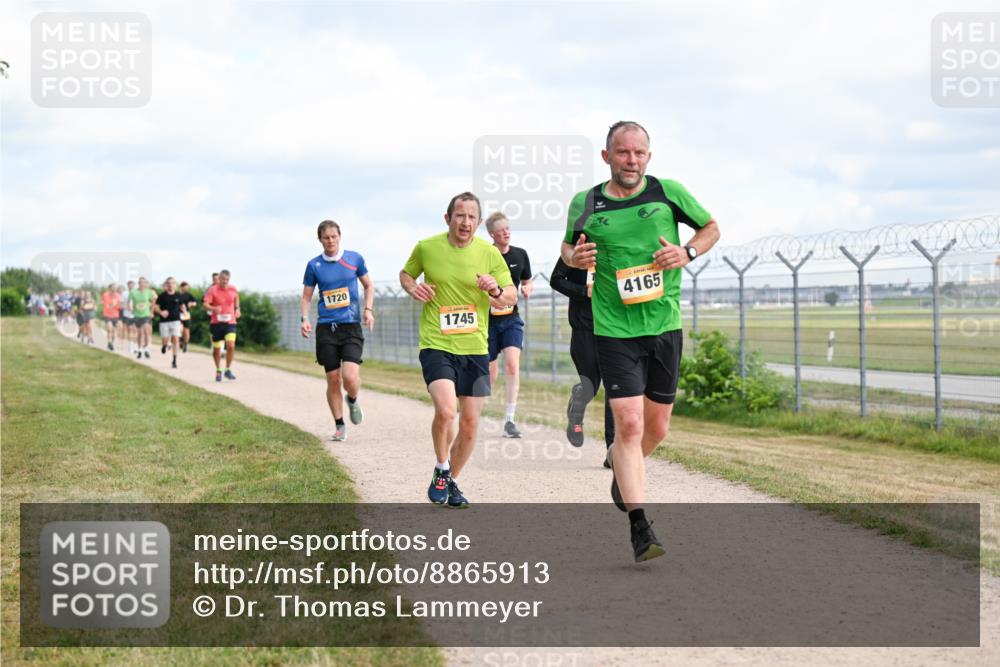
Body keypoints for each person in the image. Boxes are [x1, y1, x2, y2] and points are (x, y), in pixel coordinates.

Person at [561, 121, 720, 562]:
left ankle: (623, 471)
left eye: (639, 153)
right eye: (623, 153)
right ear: (606, 156)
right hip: (613, 329)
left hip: (664, 324)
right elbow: (566, 249)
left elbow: (710, 228)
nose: (631, 161)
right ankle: (639, 526)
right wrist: (577, 256)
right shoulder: (587, 202)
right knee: (628, 425)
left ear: (649, 157)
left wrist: (686, 252)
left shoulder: (668, 193)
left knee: (657, 428)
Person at [400, 192, 515, 508]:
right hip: (436, 342)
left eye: (472, 218)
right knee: (447, 410)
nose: (466, 222)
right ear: (447, 217)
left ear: (479, 223)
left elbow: (511, 296)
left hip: (475, 347)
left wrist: (494, 288)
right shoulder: (427, 247)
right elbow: (406, 274)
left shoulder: (489, 253)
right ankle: (441, 466)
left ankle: (451, 481)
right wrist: (414, 288)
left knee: (470, 423)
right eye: (460, 215)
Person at [300, 220, 375, 442]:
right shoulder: (314, 265)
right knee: (333, 379)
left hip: (350, 325)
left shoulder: (354, 259)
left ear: (340, 237)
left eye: (334, 236)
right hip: (326, 329)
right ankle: (340, 425)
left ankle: (352, 399)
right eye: (326, 238)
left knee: (349, 376)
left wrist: (368, 310)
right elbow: (306, 296)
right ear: (320, 240)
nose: (330, 241)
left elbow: (368, 285)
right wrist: (304, 318)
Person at [549, 257, 616, 462]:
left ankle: (612, 451)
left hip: (616, 327)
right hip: (584, 328)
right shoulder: (578, 249)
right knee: (590, 387)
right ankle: (576, 414)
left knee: (615, 389)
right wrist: (583, 292)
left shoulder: (618, 247)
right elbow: (556, 280)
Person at [484, 212, 533, 438]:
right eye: (501, 230)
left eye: (508, 228)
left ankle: (510, 421)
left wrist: (527, 289)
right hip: (488, 322)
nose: (506, 233)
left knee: (513, 365)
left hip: (511, 318)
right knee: (490, 375)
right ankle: (474, 413)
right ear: (492, 234)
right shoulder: (485, 256)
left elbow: (526, 280)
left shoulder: (520, 254)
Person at [204, 269, 240, 382]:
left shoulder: (233, 288)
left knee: (231, 345)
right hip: (216, 323)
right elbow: (205, 304)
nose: (225, 281)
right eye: (223, 279)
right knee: (217, 350)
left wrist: (237, 309)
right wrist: (214, 308)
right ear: (219, 278)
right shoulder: (212, 290)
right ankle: (218, 370)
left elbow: (236, 297)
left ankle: (228, 369)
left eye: (227, 280)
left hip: (230, 322)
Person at [155, 277, 185, 369]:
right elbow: (156, 307)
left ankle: (174, 360)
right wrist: (161, 312)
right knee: (165, 339)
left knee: (176, 339)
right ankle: (164, 345)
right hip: (164, 321)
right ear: (166, 285)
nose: (170, 285)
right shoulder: (162, 296)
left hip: (176, 320)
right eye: (168, 283)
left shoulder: (178, 295)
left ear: (175, 285)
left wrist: (184, 310)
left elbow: (182, 305)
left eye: (172, 283)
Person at [129, 277, 156, 359]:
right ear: (139, 283)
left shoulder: (149, 292)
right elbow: (129, 302)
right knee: (140, 333)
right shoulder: (133, 292)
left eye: (144, 282)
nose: (142, 284)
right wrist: (131, 308)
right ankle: (140, 349)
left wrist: (151, 312)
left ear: (145, 284)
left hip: (146, 315)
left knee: (146, 331)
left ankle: (146, 349)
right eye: (140, 282)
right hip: (137, 315)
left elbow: (154, 301)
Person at [177, 282, 198, 352]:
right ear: (181, 287)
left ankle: (185, 344)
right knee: (180, 329)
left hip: (186, 315)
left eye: (187, 287)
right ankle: (180, 340)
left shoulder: (189, 295)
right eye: (185, 287)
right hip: (178, 314)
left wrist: (192, 303)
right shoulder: (177, 295)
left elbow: (195, 302)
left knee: (186, 331)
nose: (186, 288)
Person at [100, 284, 121, 351]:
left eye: (115, 288)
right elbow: (102, 302)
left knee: (113, 332)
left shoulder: (118, 295)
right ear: (109, 288)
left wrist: (119, 306)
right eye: (112, 288)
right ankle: (109, 342)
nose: (114, 289)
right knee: (109, 328)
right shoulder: (105, 295)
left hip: (115, 315)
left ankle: (111, 342)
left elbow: (119, 305)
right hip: (107, 315)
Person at [120, 281, 136, 354]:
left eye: (132, 285)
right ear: (127, 286)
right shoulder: (124, 294)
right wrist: (128, 308)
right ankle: (130, 347)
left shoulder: (137, 293)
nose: (131, 286)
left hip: (136, 314)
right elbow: (121, 304)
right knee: (129, 330)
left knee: (135, 331)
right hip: (127, 315)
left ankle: (135, 346)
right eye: (129, 285)